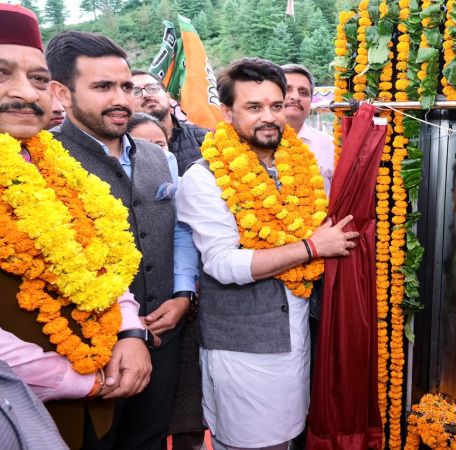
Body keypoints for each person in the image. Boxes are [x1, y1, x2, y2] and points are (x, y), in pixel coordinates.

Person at [175, 57, 358, 450]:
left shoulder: (298, 166)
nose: (269, 117)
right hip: (243, 348)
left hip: (298, 337)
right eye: (253, 107)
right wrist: (312, 248)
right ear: (227, 112)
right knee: (251, 443)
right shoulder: (204, 178)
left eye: (276, 106)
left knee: (290, 438)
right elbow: (223, 265)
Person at [0, 5, 151, 448]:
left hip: (93, 408)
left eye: (38, 78)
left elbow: (97, 262)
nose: (24, 93)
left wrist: (130, 331)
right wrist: (80, 379)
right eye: (1, 72)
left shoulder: (51, 166)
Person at [46, 30, 199, 450]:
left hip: (163, 335)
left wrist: (184, 294)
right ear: (62, 91)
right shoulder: (42, 161)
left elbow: (180, 228)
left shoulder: (158, 156)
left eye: (126, 86)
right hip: (84, 349)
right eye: (102, 87)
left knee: (148, 441)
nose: (121, 99)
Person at [132, 72, 208, 450]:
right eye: (134, 89)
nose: (144, 95)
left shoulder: (203, 142)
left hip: (189, 299)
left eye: (151, 87)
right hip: (135, 309)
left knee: (188, 411)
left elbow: (182, 228)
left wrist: (184, 292)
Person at [131, 70, 207, 175]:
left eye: (152, 88)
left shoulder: (203, 137)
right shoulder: (125, 148)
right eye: (135, 92)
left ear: (167, 96)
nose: (146, 94)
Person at [281, 64, 334, 194]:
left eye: (303, 92)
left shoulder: (330, 146)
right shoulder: (250, 142)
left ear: (311, 102)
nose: (295, 97)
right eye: (287, 89)